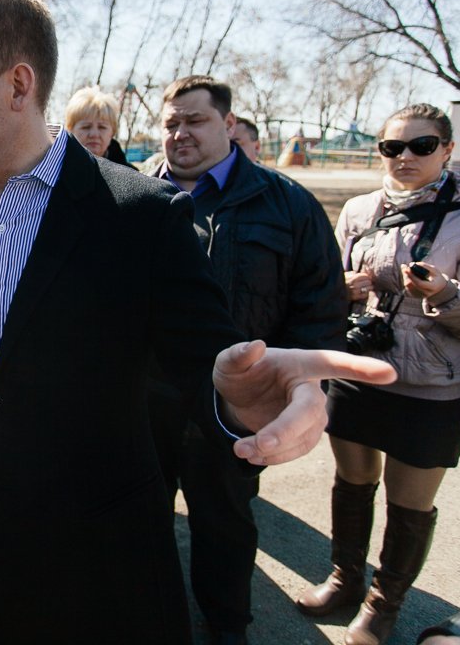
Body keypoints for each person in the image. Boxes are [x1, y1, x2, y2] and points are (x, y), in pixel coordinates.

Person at [0, 0, 395, 644]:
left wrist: (243, 401)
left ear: (19, 85)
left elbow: (209, 367)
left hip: (98, 572)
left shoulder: (141, 214)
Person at [299, 103, 460, 645]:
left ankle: (382, 603)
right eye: (393, 147)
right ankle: (346, 579)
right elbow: (330, 284)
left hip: (431, 384)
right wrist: (343, 287)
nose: (405, 157)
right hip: (359, 369)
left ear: (447, 150)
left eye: (421, 146)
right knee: (352, 482)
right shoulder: (358, 209)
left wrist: (442, 292)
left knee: (408, 502)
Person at [147, 75, 348, 645]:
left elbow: (319, 305)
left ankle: (227, 623)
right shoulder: (132, 199)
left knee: (225, 526)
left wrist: (294, 387)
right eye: (171, 124)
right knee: (138, 521)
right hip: (145, 405)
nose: (181, 133)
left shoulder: (286, 204)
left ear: (229, 125)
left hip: (235, 410)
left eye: (196, 120)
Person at [63, 85, 130, 166]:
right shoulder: (53, 173)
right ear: (70, 129)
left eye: (102, 127)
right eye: (86, 127)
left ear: (112, 132)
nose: (94, 134)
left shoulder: (134, 177)